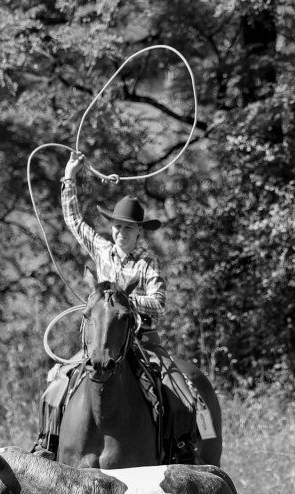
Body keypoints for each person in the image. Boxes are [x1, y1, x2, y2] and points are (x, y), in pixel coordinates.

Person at [33, 151, 197, 462]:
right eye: (118, 227)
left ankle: (181, 450)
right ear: (113, 229)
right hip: (101, 339)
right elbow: (74, 220)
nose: (122, 233)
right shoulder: (101, 249)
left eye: (129, 229)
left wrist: (124, 302)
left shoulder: (148, 264)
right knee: (58, 381)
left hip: (141, 341)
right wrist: (70, 176)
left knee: (179, 387)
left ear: (139, 233)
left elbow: (159, 304)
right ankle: (46, 443)